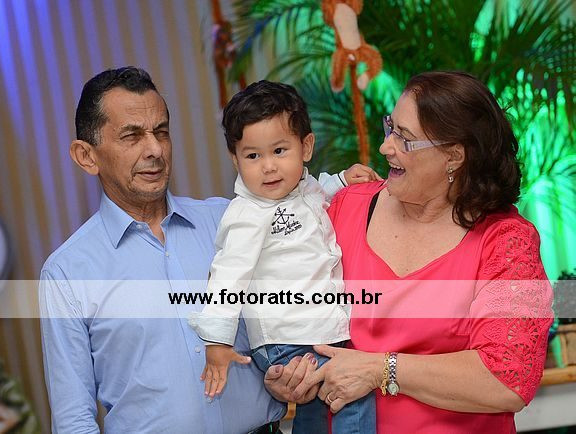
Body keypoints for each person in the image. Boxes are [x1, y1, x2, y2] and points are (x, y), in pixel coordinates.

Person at [263, 71, 554, 433]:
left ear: (454, 156)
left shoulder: (507, 242)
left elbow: (506, 379)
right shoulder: (344, 208)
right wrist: (288, 372)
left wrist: (380, 368)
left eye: (406, 139)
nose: (386, 147)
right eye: (391, 128)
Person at [38, 67, 284, 433]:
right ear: (87, 156)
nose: (155, 150)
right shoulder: (67, 273)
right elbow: (74, 419)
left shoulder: (229, 221)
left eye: (162, 132)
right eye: (132, 136)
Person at [188, 80, 379, 434]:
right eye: (253, 156)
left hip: (313, 329)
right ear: (235, 158)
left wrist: (342, 180)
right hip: (287, 336)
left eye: (279, 151)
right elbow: (228, 276)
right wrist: (217, 341)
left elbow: (318, 192)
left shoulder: (302, 187)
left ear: (305, 147)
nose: (268, 167)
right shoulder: (248, 213)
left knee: (315, 408)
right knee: (351, 387)